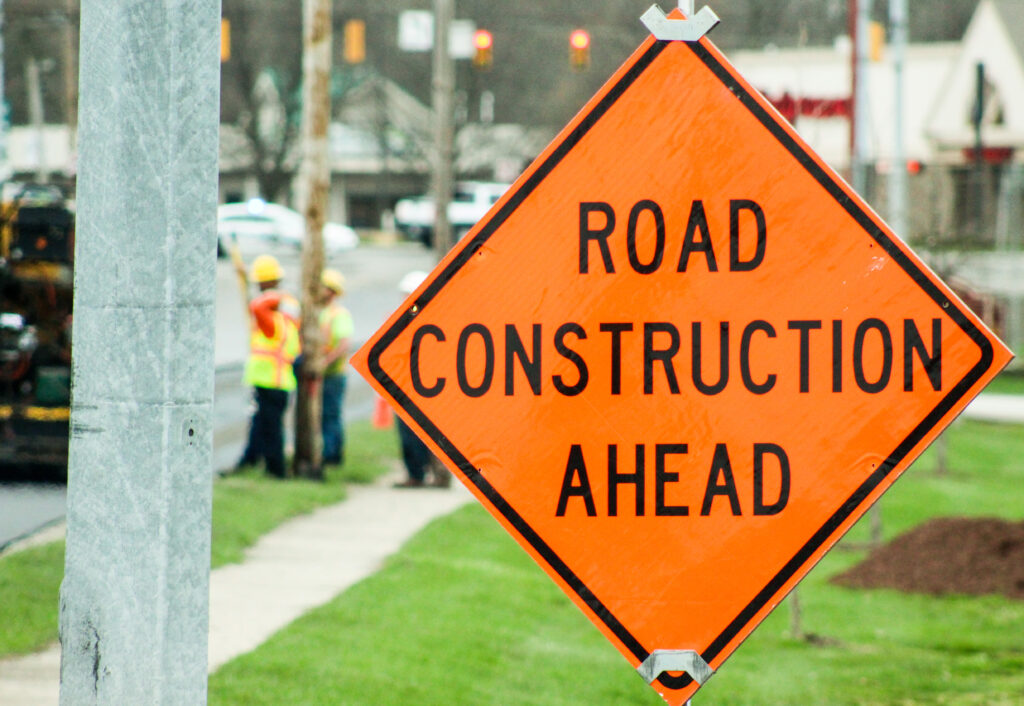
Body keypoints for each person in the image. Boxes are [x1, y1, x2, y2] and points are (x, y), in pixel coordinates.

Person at [236, 254, 300, 478]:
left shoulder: (273, 322)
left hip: (272, 381)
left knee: (271, 430)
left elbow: (257, 306)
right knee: (260, 426)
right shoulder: (287, 320)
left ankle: (276, 471)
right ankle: (251, 460)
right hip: (271, 381)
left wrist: (277, 296)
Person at [392, 270, 452, 489]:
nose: (405, 299)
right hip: (407, 386)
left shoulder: (436, 320)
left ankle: (439, 475)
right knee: (409, 434)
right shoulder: (403, 321)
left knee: (434, 436)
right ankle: (415, 474)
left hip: (430, 388)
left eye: (408, 294)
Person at [318, 268, 353, 465]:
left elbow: (343, 344)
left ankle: (332, 456)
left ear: (331, 290)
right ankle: (327, 452)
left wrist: (325, 361)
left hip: (333, 374)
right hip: (322, 373)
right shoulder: (320, 312)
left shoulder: (338, 314)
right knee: (323, 416)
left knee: (331, 415)